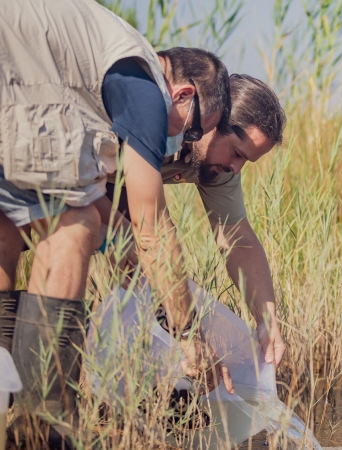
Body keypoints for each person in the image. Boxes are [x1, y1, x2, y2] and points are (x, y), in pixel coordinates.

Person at [0, 0, 231, 446]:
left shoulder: (100, 68)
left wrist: (157, 302)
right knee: (72, 224)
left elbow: (125, 232)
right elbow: (152, 227)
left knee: (7, 226)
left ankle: (7, 394)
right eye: (195, 129)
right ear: (183, 95)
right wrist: (187, 335)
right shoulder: (144, 88)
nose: (186, 141)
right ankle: (40, 427)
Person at [102, 73, 288, 371]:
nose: (235, 168)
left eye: (245, 161)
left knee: (143, 269)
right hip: (73, 173)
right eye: (237, 153)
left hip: (114, 182)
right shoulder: (155, 120)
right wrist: (187, 334)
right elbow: (148, 234)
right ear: (211, 123)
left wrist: (267, 320)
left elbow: (236, 235)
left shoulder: (220, 164)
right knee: (135, 255)